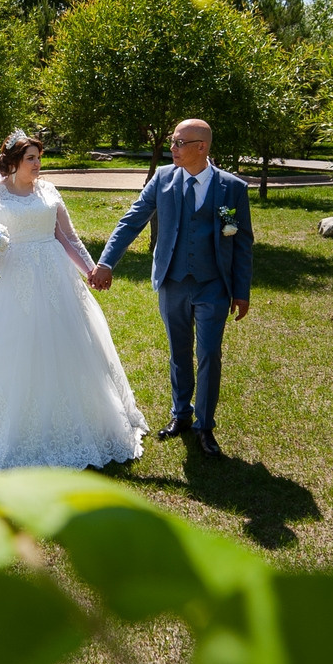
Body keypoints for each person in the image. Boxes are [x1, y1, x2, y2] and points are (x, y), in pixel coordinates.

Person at [0, 130, 148, 472]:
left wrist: (90, 269)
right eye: (31, 159)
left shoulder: (49, 191)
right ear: (12, 163)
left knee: (63, 344)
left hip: (53, 276)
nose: (38, 164)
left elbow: (67, 236)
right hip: (7, 280)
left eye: (40, 158)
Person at [90, 118, 253, 459]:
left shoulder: (232, 188)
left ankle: (204, 426)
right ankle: (181, 415)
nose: (173, 148)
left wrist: (241, 290)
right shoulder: (163, 178)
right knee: (179, 353)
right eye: (173, 142)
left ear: (201, 147)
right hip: (173, 282)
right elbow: (132, 220)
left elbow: (241, 242)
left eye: (180, 143)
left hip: (214, 285)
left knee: (209, 354)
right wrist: (106, 262)